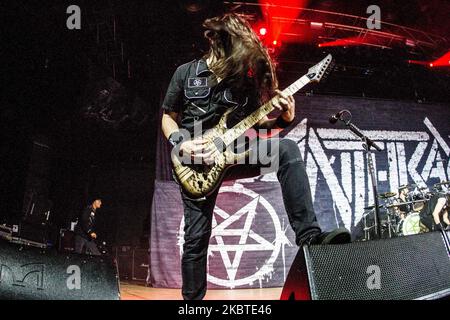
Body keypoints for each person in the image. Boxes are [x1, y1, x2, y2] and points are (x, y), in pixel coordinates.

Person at [161, 13, 351, 300]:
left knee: (286, 149)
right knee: (196, 239)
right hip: (193, 164)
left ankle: (310, 238)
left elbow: (254, 122)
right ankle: (192, 304)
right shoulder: (186, 73)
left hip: (233, 155)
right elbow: (168, 117)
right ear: (213, 40)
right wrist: (181, 143)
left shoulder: (242, 82)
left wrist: (284, 118)